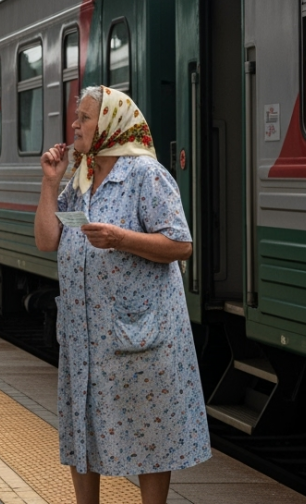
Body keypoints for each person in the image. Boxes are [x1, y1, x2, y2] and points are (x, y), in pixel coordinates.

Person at [33, 86, 210, 504]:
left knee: (151, 429)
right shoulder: (82, 176)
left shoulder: (145, 175)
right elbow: (46, 240)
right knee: (83, 425)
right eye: (76, 117)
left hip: (138, 329)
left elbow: (181, 245)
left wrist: (120, 239)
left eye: (84, 117)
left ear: (112, 123)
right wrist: (49, 182)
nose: (74, 124)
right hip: (84, 332)